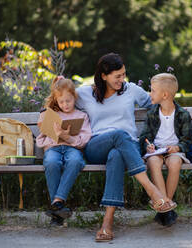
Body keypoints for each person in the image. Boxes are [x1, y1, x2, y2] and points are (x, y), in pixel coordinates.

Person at [76, 53, 177, 242]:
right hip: (97, 146)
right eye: (117, 76)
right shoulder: (85, 93)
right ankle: (152, 191)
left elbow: (157, 102)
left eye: (124, 75)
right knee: (119, 134)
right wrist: (58, 84)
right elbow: (59, 99)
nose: (122, 80)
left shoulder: (131, 89)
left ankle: (107, 224)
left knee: (116, 155)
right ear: (103, 76)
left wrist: (175, 114)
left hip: (127, 148)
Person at [36, 76, 91, 226]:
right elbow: (42, 137)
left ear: (75, 97)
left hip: (72, 148)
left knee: (75, 161)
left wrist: (67, 137)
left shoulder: (81, 116)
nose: (65, 105)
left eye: (68, 101)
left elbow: (85, 138)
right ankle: (58, 209)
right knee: (51, 162)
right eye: (61, 102)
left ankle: (57, 203)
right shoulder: (51, 114)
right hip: (53, 149)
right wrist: (47, 126)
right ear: (56, 100)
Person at [139, 73, 192, 227]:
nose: (150, 93)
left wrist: (177, 147)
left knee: (175, 163)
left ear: (165, 95)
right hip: (156, 151)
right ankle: (166, 206)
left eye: (153, 90)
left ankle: (164, 204)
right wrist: (148, 146)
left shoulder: (183, 114)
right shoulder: (152, 114)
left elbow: (188, 140)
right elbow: (145, 136)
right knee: (153, 163)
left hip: (174, 151)